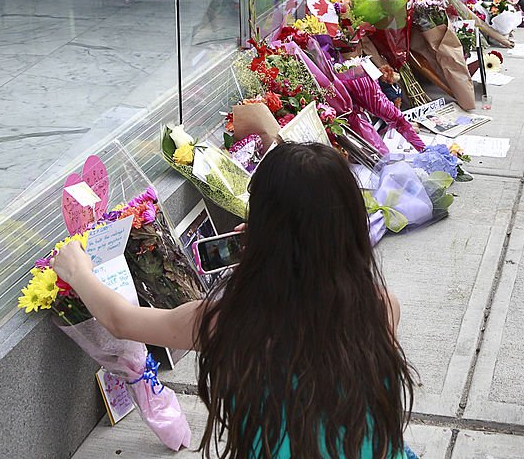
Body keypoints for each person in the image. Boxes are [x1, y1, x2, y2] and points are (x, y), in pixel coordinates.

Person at [52, 142, 418, 458]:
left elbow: (122, 322)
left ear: (260, 226)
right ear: (351, 226)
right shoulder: (383, 307)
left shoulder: (228, 321)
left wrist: (79, 273)